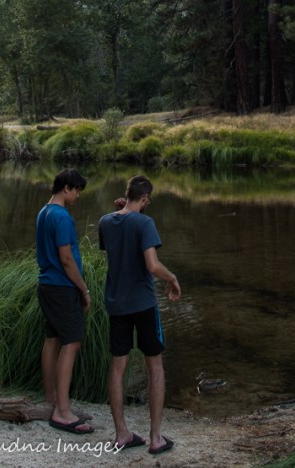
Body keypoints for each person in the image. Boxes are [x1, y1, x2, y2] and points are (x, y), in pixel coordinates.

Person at [98, 174, 181, 455]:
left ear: (127, 193)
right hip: (143, 304)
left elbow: (118, 238)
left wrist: (122, 210)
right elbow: (151, 265)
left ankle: (122, 433)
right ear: (145, 199)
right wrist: (172, 278)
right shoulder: (145, 223)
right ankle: (156, 438)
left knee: (117, 367)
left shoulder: (105, 221)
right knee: (155, 366)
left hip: (116, 304)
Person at [36, 167, 94, 435]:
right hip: (62, 287)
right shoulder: (62, 217)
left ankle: (51, 399)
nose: (78, 195)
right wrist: (83, 289)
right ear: (67, 188)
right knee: (72, 342)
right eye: (77, 190)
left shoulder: (43, 212)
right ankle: (62, 412)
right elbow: (67, 258)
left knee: (52, 339)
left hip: (47, 285)